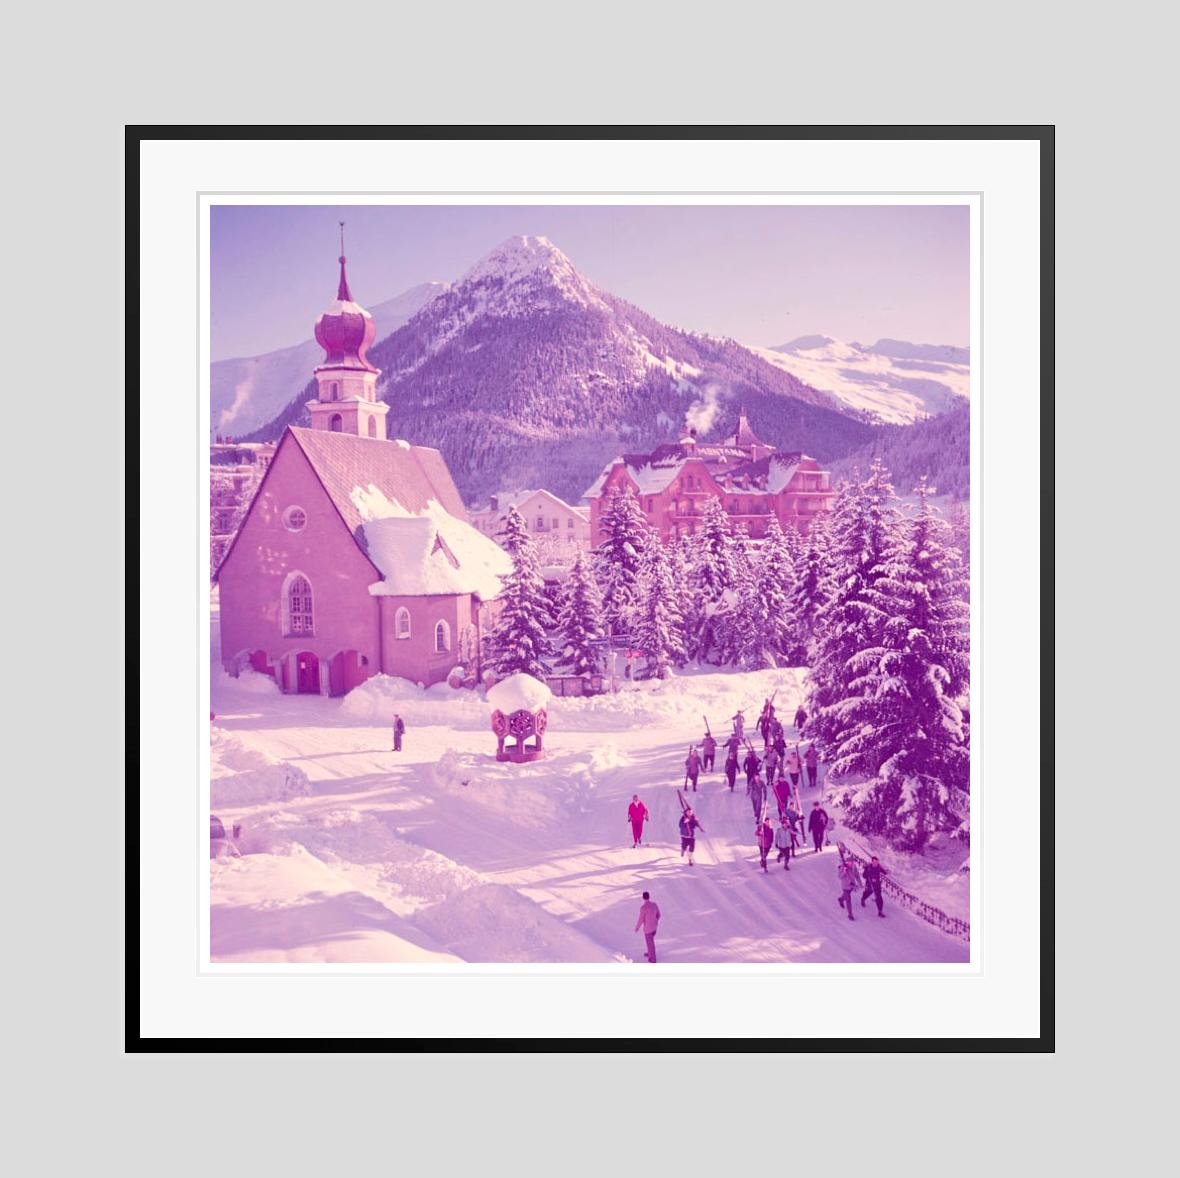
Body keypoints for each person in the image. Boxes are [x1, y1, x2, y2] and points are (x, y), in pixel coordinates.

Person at [634, 891, 661, 962]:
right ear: (649, 896)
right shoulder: (654, 905)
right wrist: (655, 921)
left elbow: (641, 919)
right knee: (650, 942)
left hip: (647, 929)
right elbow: (659, 915)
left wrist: (637, 928)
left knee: (650, 943)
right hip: (654, 928)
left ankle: (653, 959)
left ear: (643, 898)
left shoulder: (643, 908)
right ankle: (650, 953)